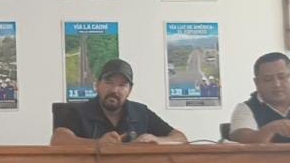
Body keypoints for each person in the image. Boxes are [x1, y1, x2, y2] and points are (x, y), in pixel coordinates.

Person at [50, 58, 187, 145]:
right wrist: (97, 143)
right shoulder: (79, 112)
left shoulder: (141, 113)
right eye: (109, 82)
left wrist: (157, 140)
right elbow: (58, 140)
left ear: (130, 90)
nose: (114, 90)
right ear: (97, 85)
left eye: (122, 85)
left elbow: (180, 138)